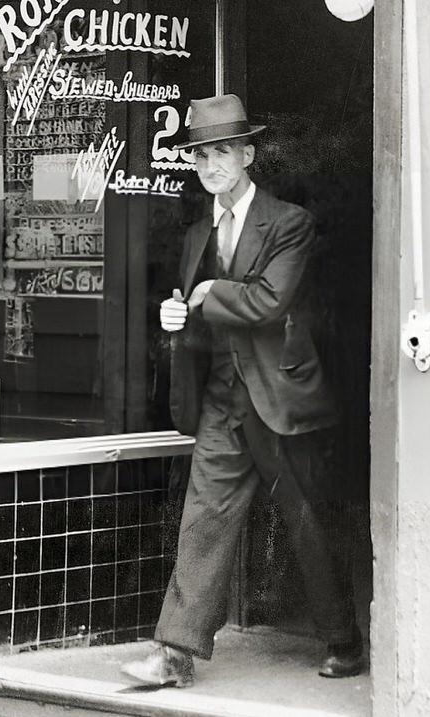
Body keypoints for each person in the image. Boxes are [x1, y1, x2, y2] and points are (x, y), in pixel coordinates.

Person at [121, 94, 362, 689]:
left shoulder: (289, 223)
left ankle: (343, 638)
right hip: (223, 401)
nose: (210, 164)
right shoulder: (197, 232)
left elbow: (267, 301)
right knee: (201, 522)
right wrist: (177, 316)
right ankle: (174, 653)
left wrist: (203, 295)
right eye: (201, 154)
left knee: (306, 521)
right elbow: (204, 307)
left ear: (249, 154)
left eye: (223, 151)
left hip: (280, 402)